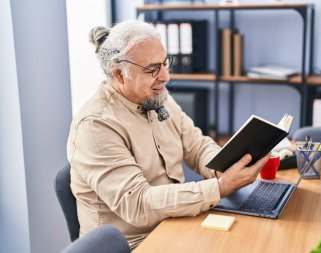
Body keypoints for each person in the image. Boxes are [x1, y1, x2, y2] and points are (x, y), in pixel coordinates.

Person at [67, 20, 270, 250]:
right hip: (136, 244)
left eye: (165, 63)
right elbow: (138, 205)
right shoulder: (95, 126)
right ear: (119, 73)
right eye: (152, 69)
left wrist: (226, 166)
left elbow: (196, 145)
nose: (165, 76)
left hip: (175, 224)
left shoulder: (156, 96)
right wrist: (220, 187)